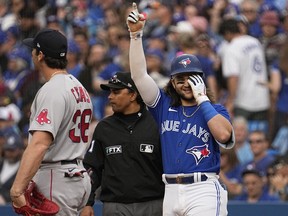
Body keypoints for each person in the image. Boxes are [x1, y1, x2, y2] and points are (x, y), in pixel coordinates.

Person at [127, 3, 235, 216]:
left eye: (192, 77)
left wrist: (202, 97)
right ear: (173, 82)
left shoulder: (215, 109)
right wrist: (135, 35)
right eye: (181, 79)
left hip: (203, 188)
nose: (186, 84)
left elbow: (224, 135)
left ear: (201, 79)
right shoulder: (163, 105)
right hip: (171, 190)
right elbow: (139, 76)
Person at [10, 28, 93, 215]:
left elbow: (39, 144)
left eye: (34, 50)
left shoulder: (53, 89)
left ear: (40, 55)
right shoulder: (79, 87)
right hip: (77, 175)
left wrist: (17, 189)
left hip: (57, 178)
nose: (31, 53)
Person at [80, 72, 164, 216]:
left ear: (133, 95)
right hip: (115, 207)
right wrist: (87, 202)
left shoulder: (157, 124)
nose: (110, 96)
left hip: (153, 205)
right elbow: (92, 168)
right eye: (110, 92)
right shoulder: (104, 128)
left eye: (116, 92)